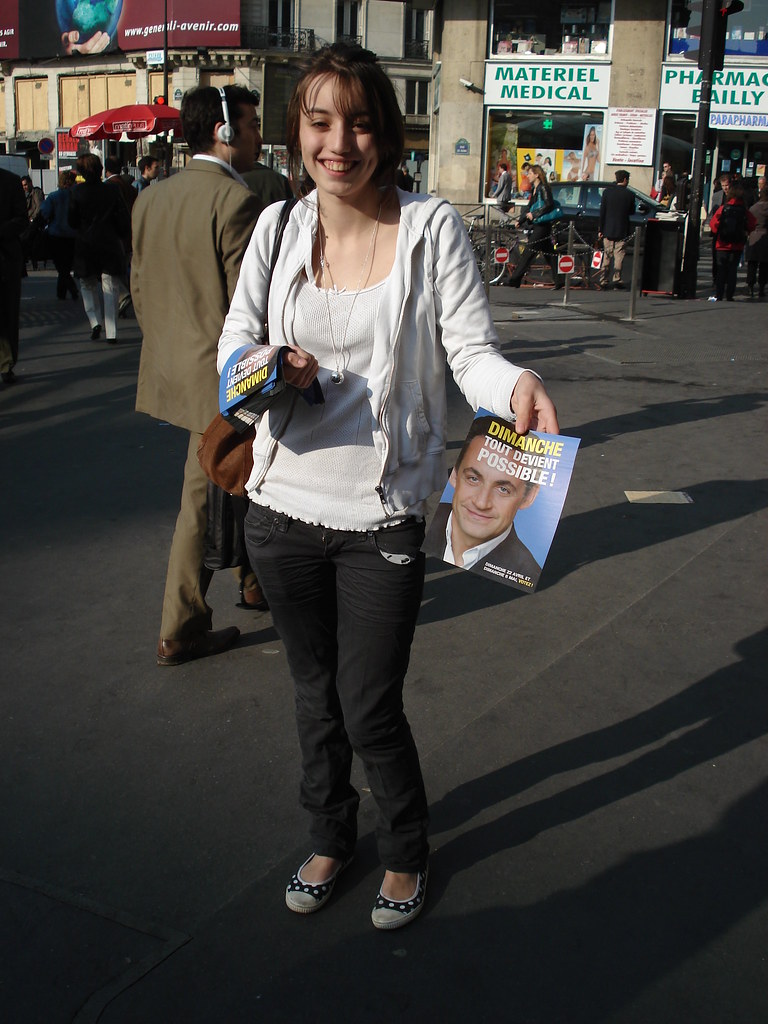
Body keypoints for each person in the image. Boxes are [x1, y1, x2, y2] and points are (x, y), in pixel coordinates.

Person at [217, 42, 559, 931]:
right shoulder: (280, 228)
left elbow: (470, 355)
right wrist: (266, 367)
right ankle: (332, 834)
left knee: (369, 702)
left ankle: (406, 847)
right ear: (298, 131)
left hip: (383, 519)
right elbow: (231, 352)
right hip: (281, 509)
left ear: (386, 135)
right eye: (322, 122)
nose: (341, 142)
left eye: (360, 122)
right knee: (311, 691)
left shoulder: (431, 226)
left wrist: (513, 387)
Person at [133, 85, 264, 667]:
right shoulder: (233, 202)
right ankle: (180, 625)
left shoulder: (151, 199)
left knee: (230, 478)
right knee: (203, 497)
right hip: (220, 377)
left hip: (172, 369)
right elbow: (248, 308)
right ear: (225, 132)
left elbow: (138, 289)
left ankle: (252, 579)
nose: (259, 135)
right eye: (252, 125)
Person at [431, 417, 540, 579]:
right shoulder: (419, 526)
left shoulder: (526, 571)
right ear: (454, 474)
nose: (481, 503)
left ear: (528, 497)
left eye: (503, 489)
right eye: (473, 479)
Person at [68, 152, 130, 343]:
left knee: (87, 285)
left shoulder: (77, 192)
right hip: (109, 242)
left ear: (81, 172)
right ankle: (112, 331)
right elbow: (122, 217)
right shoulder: (111, 190)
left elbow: (72, 221)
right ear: (100, 170)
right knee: (109, 286)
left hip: (86, 244)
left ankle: (94, 321)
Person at [504, 163, 564, 289]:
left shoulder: (543, 188)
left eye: (530, 173)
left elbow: (549, 204)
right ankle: (559, 280)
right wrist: (520, 221)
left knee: (528, 251)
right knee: (549, 254)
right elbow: (529, 207)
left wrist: (535, 214)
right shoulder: (535, 189)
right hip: (538, 224)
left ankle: (515, 279)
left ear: (537, 175)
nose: (528, 176)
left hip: (542, 225)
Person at [0, 168, 27, 385]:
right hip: (8, 256)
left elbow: (21, 219)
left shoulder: (10, 181)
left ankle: (6, 364)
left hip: (6, 258)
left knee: (8, 312)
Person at [708, 181, 757, 302]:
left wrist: (718, 232)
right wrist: (746, 231)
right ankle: (730, 295)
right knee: (732, 270)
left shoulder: (724, 208)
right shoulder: (744, 210)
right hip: (737, 244)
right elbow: (752, 223)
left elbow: (713, 224)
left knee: (721, 270)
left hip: (722, 243)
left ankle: (719, 294)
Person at [103, 155, 136, 317]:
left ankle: (124, 294)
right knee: (123, 268)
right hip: (129, 234)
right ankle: (123, 299)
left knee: (111, 272)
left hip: (113, 235)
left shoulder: (108, 187)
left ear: (106, 169)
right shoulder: (130, 187)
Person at [40, 170, 79, 301]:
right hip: (73, 235)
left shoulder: (53, 197)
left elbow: (45, 213)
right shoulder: (76, 196)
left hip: (55, 234)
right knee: (66, 265)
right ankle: (61, 292)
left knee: (61, 266)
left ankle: (70, 290)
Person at [598, 169, 635, 290]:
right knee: (619, 255)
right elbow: (632, 211)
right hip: (622, 229)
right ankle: (616, 279)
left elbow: (602, 211)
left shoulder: (607, 193)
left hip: (608, 228)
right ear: (625, 180)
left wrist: (601, 228)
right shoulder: (629, 194)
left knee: (607, 255)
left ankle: (603, 279)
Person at [708, 173, 732, 292]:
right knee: (716, 257)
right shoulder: (717, 196)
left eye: (727, 185)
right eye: (723, 185)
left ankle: (726, 281)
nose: (725, 188)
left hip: (731, 232)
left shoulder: (735, 196)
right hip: (718, 231)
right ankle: (715, 279)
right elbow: (713, 213)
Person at [745, 186, 768, 298]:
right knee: (764, 265)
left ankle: (750, 286)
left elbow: (748, 222)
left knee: (752, 264)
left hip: (754, 236)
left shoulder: (753, 208)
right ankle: (762, 288)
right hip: (766, 237)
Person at [21, 175, 45, 270]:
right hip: (29, 222)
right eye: (23, 185)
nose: (24, 187)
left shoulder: (36, 192)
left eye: (26, 185)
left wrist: (32, 219)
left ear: (30, 183)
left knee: (24, 238)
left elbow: (39, 208)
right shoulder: (26, 194)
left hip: (35, 222)